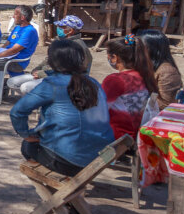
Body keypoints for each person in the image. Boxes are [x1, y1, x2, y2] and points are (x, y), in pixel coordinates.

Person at [10, 39, 114, 177]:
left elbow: (17, 112)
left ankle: (55, 189)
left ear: (52, 61)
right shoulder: (93, 82)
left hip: (68, 161)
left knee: (27, 146)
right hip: (98, 158)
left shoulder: (53, 84)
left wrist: (26, 134)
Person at [8, 15, 90, 96]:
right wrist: (37, 69)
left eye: (62, 27)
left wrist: (42, 74)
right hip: (47, 74)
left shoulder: (76, 47)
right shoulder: (60, 41)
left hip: (61, 80)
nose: (58, 28)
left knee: (25, 87)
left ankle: (45, 103)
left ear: (71, 30)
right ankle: (40, 101)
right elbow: (48, 59)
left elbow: (67, 71)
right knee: (12, 82)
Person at [102, 34, 159, 139]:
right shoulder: (144, 75)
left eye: (108, 56)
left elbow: (98, 111)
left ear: (114, 58)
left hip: (117, 138)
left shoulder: (115, 80)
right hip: (134, 136)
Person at [0, 5, 39, 95]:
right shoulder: (17, 28)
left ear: (22, 17)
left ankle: (1, 87)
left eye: (15, 14)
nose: (13, 16)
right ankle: (0, 83)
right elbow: (7, 44)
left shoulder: (29, 31)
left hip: (16, 61)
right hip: (5, 57)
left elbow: (14, 51)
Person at [140, 29, 183, 109]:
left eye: (141, 47)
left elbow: (166, 104)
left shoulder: (167, 72)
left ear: (152, 49)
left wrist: (137, 105)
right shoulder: (149, 66)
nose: (138, 50)